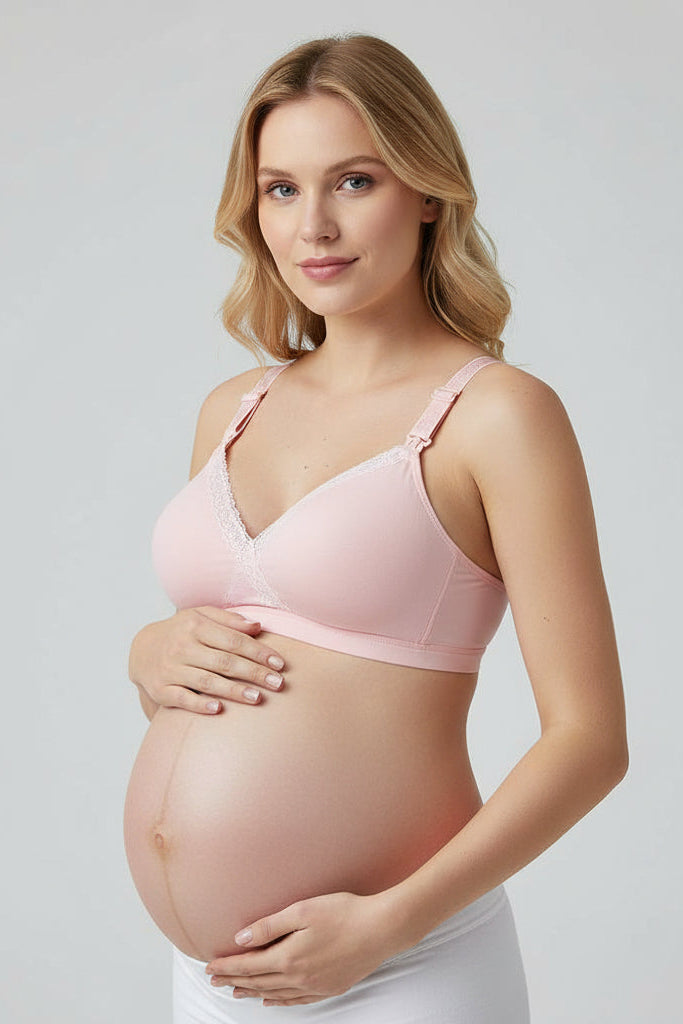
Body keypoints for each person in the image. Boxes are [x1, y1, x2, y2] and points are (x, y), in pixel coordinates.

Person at [125, 32, 629, 1023]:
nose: (311, 224)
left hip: (402, 969)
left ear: (427, 189)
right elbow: (235, 681)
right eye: (279, 189)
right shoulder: (230, 408)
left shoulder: (497, 415)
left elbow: (589, 741)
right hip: (212, 984)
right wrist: (148, 653)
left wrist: (388, 925)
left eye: (352, 181)